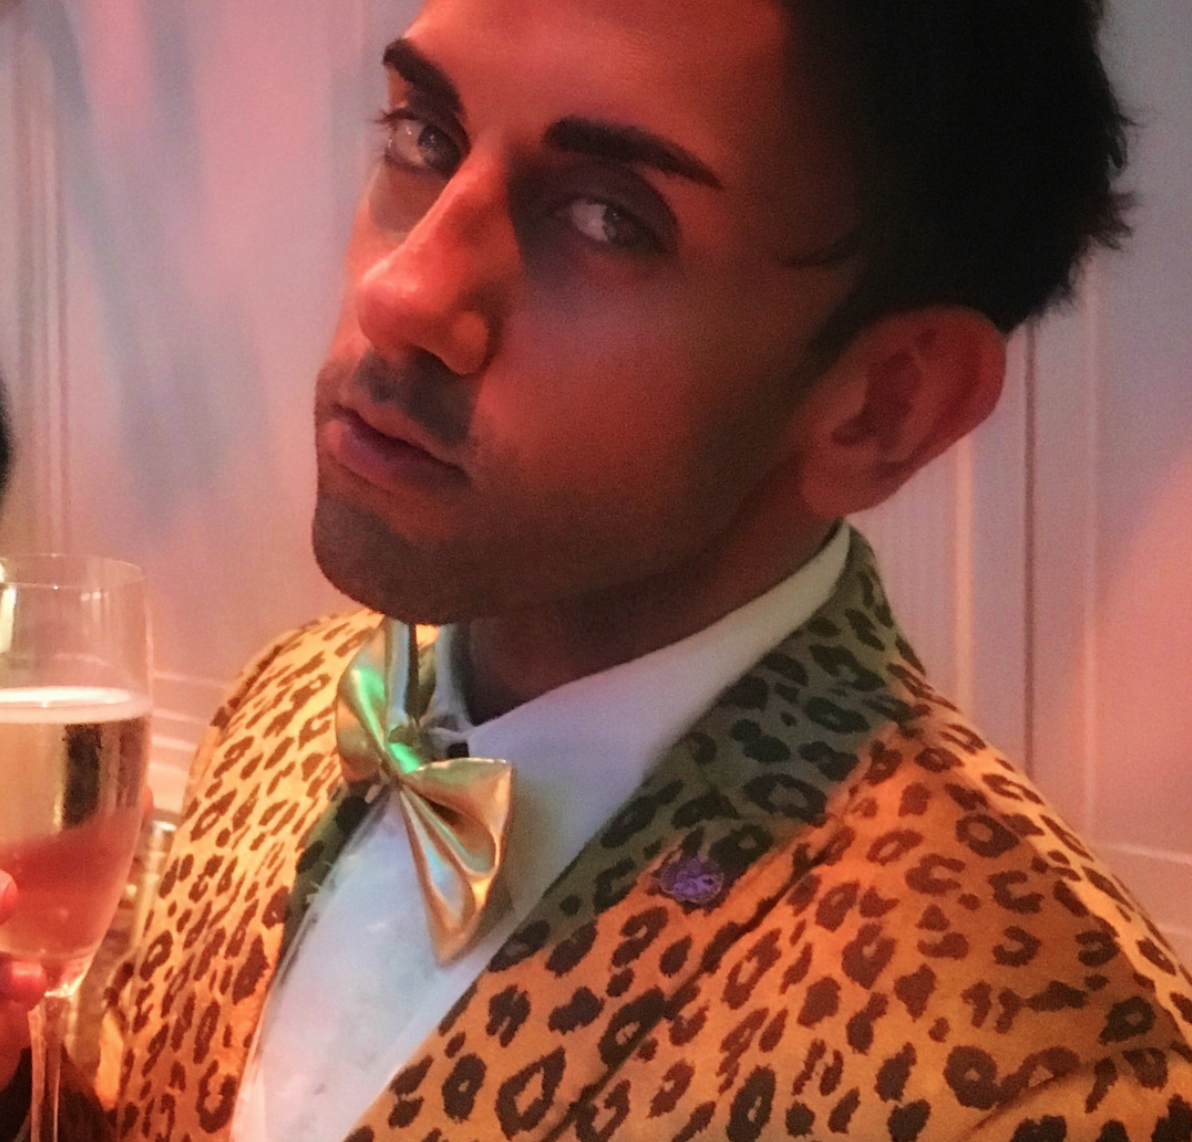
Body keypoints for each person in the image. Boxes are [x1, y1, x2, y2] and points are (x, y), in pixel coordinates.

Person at [4, 0, 1192, 1137]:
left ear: (884, 405)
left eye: (610, 218)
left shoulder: (1054, 1081)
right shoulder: (289, 705)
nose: (401, 291)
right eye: (424, 136)